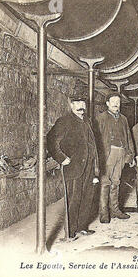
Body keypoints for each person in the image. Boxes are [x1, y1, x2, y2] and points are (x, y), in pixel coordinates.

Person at [47, 93, 99, 238]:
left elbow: (93, 145)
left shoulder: (87, 121)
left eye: (83, 103)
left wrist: (96, 169)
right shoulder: (64, 121)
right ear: (71, 105)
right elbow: (51, 140)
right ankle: (70, 232)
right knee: (74, 199)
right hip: (73, 167)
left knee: (87, 198)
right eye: (77, 103)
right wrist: (61, 158)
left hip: (88, 167)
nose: (81, 106)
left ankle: (82, 227)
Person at [94, 92, 135, 223]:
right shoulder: (101, 118)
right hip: (108, 153)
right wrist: (98, 158)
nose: (116, 103)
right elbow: (96, 139)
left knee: (116, 182)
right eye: (113, 101)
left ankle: (115, 210)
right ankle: (104, 213)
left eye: (118, 101)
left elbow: (128, 137)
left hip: (121, 153)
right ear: (107, 104)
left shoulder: (123, 119)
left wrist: (131, 154)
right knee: (105, 183)